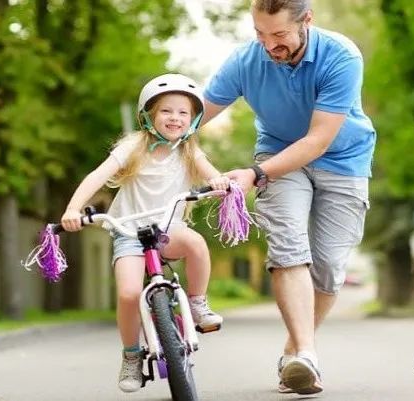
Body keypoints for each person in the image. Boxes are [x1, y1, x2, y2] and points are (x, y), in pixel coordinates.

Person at [201, 0, 376, 395]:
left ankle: (294, 351)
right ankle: (308, 357)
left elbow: (317, 139)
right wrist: (151, 133)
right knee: (288, 247)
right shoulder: (246, 60)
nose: (269, 46)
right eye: (260, 34)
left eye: (279, 35)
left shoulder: (341, 56)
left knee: (329, 266)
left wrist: (254, 174)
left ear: (306, 21)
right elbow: (195, 113)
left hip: (343, 160)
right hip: (278, 154)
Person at [60, 73, 230, 393]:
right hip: (128, 231)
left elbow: (214, 176)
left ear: (193, 120)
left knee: (195, 242)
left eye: (183, 112)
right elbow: (97, 176)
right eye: (167, 111)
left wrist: (221, 183)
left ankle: (197, 303)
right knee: (127, 294)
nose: (175, 118)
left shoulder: (190, 151)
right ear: (149, 115)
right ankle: (131, 354)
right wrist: (73, 209)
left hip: (169, 229)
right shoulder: (134, 146)